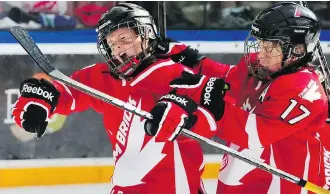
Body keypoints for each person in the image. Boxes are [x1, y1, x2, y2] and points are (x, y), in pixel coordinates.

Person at [11, 3, 215, 194]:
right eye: (111, 43)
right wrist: (38, 102)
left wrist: (187, 112)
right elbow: (65, 93)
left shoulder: (177, 75)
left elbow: (213, 110)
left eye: (124, 39)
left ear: (147, 37)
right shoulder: (102, 78)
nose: (118, 48)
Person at [146, 2, 330, 193]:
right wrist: (191, 60)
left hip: (278, 186)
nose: (260, 53)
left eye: (271, 47)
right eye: (261, 43)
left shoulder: (304, 90)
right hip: (244, 180)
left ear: (297, 51)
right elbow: (229, 78)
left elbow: (254, 134)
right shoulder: (264, 66)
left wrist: (205, 108)